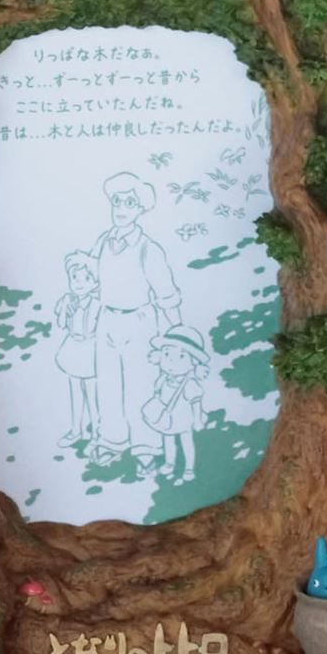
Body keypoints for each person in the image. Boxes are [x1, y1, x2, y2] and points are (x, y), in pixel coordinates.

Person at [90, 172, 182, 463]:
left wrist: (178, 332)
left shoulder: (148, 248)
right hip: (106, 320)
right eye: (117, 202)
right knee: (108, 384)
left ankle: (146, 446)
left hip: (139, 321)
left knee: (140, 384)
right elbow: (92, 279)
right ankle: (112, 440)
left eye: (129, 203)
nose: (121, 209)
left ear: (141, 208)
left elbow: (166, 292)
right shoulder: (103, 242)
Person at [142, 325, 210, 485]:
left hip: (184, 417)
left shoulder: (189, 383)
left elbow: (196, 402)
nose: (172, 361)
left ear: (193, 362)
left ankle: (189, 468)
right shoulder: (164, 378)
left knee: (187, 441)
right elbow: (158, 393)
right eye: (166, 354)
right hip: (167, 417)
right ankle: (169, 463)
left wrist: (198, 419)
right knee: (168, 439)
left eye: (181, 356)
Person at [54, 251, 100, 447]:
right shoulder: (68, 300)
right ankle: (76, 430)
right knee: (75, 391)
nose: (79, 283)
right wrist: (65, 308)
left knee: (92, 393)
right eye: (75, 278)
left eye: (86, 278)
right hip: (73, 347)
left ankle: (97, 433)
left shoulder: (98, 303)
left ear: (95, 282)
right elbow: (61, 323)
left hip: (90, 349)